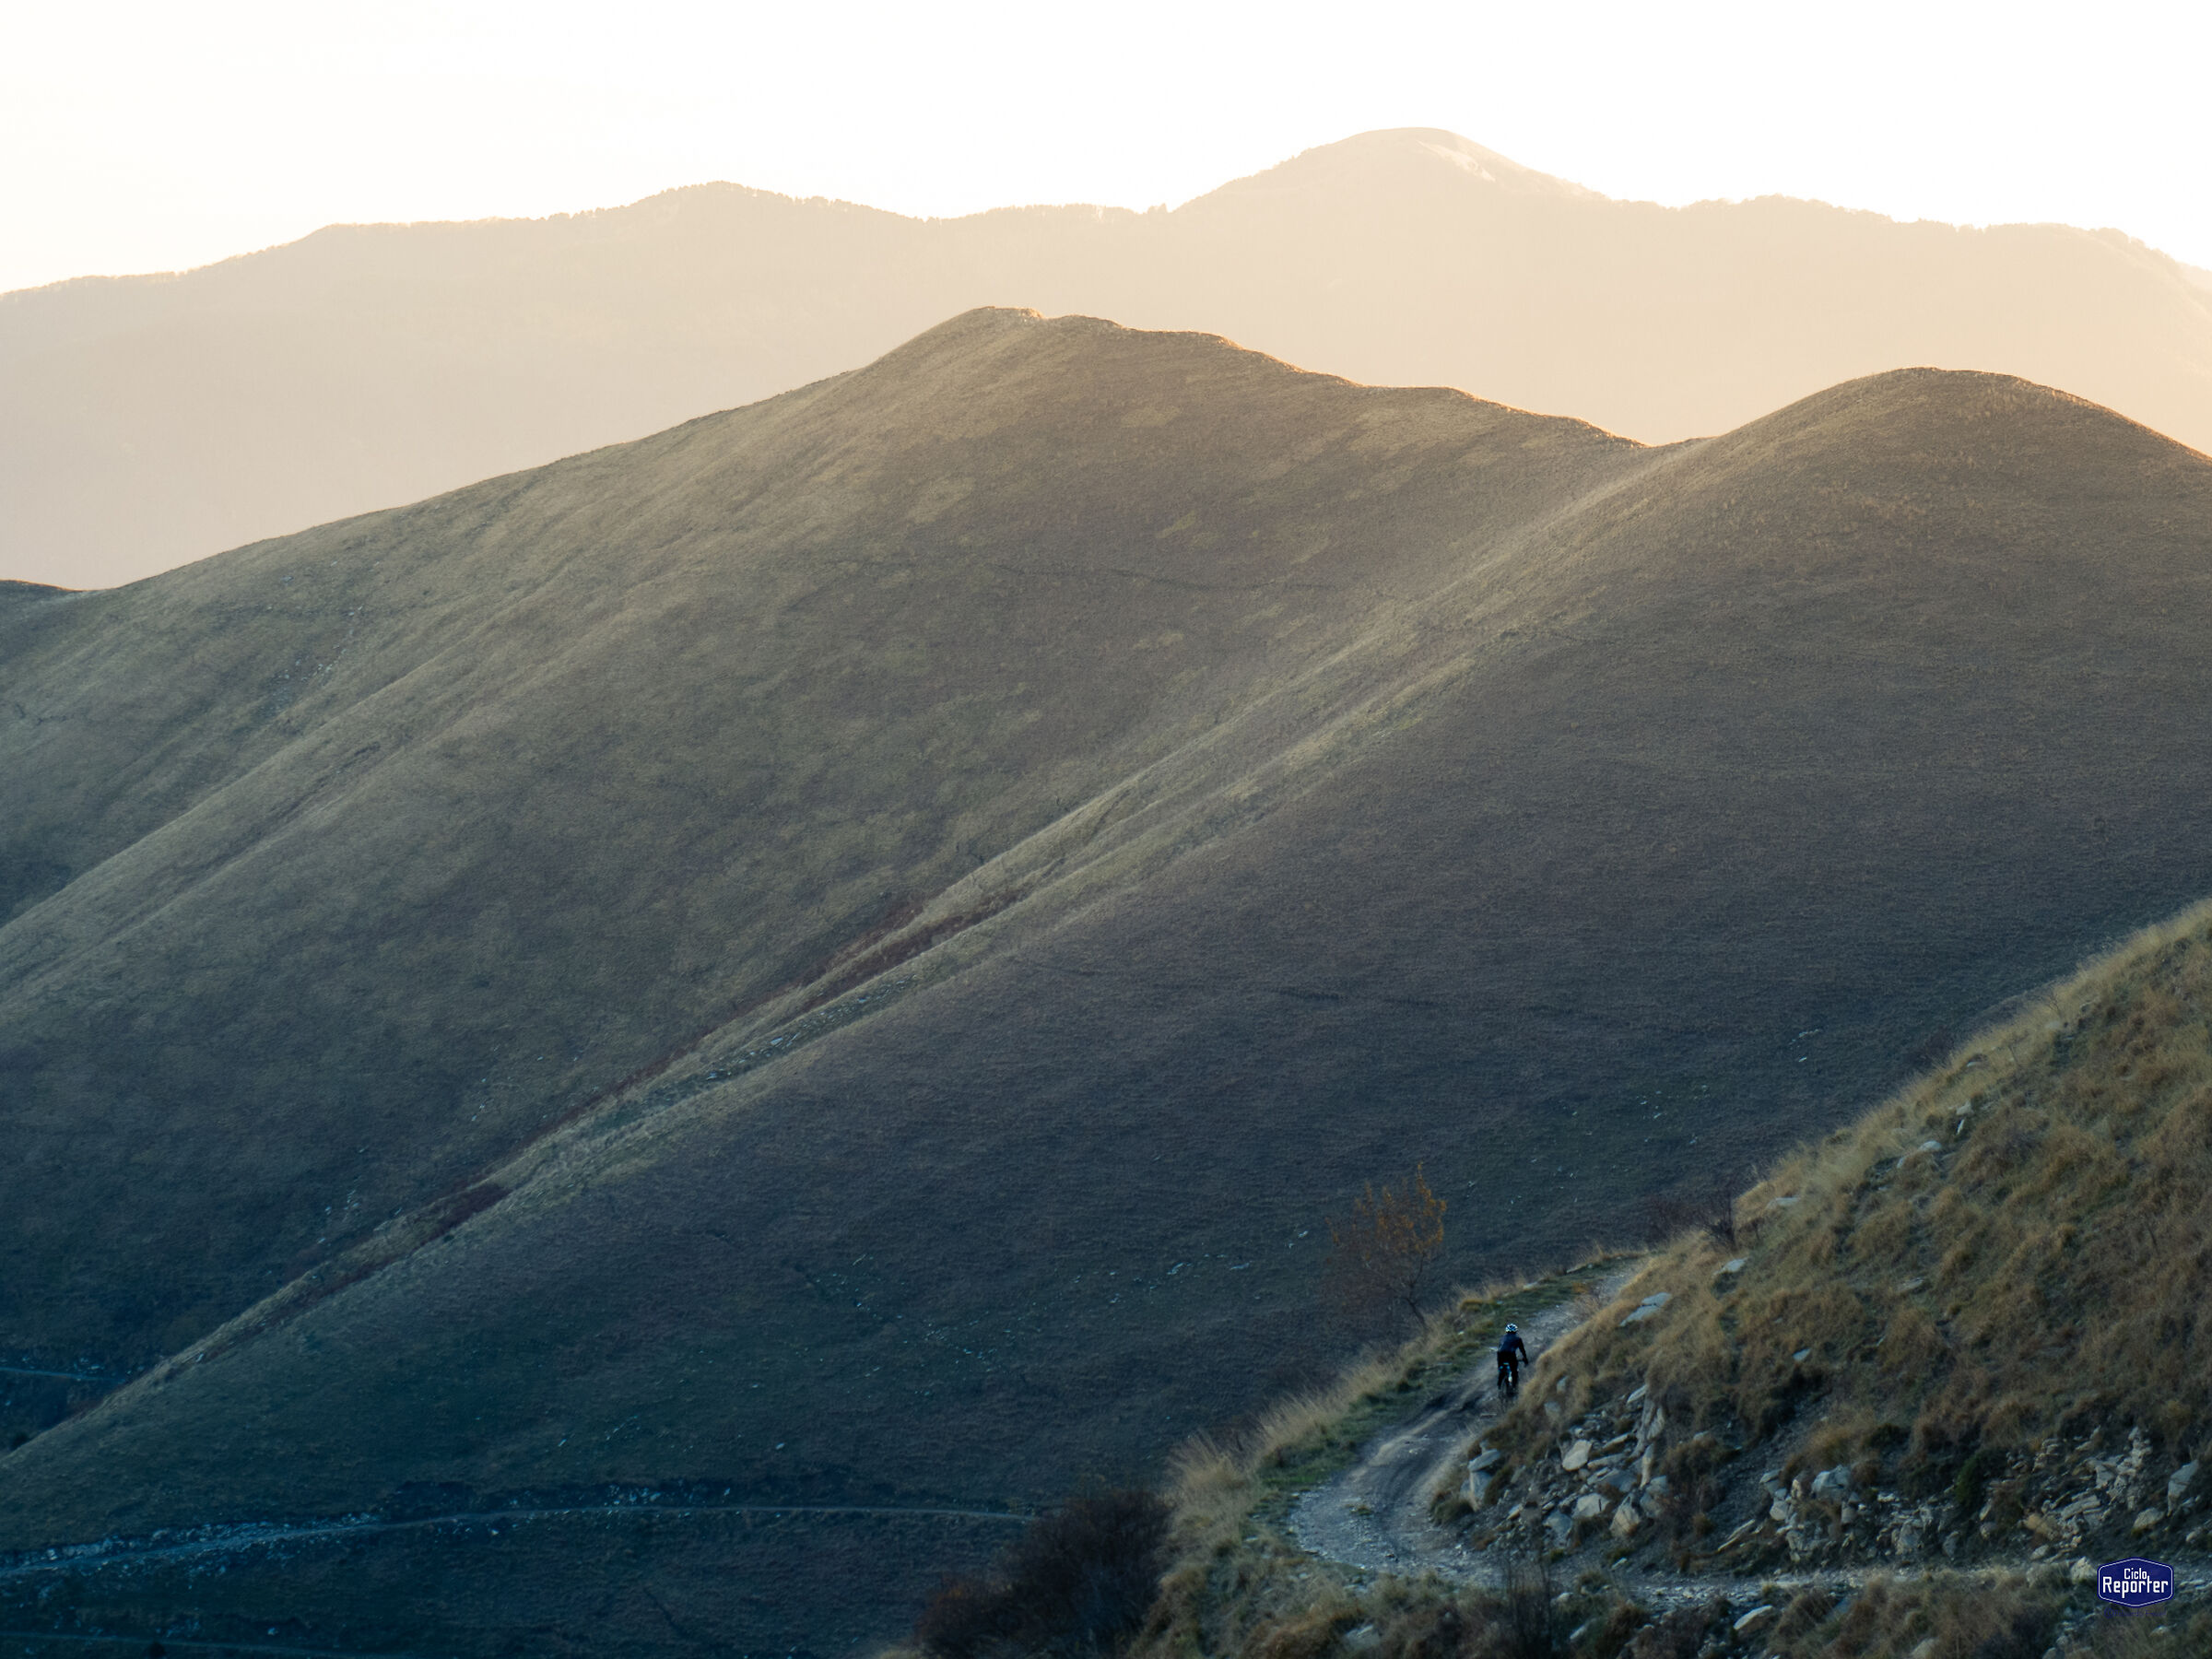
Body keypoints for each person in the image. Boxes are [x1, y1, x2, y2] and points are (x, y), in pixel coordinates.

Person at [1496, 1323, 1530, 1396]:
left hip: (1500, 1354)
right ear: (1515, 1332)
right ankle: (1514, 1388)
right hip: (1510, 1354)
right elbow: (1522, 1350)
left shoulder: (1502, 1338)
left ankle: (1499, 1385)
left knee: (1501, 1369)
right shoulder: (1518, 1339)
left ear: (1506, 1331)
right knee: (1514, 1370)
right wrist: (1525, 1358)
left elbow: (1500, 1347)